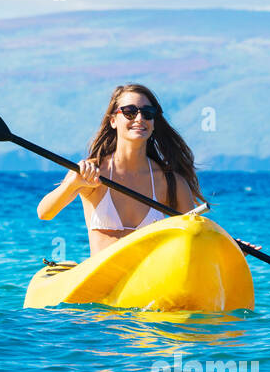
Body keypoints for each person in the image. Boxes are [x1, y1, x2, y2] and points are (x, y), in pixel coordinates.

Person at [37, 84, 203, 256]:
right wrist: (71, 185)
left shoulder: (170, 182)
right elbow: (44, 213)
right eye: (130, 112)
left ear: (153, 123)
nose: (139, 118)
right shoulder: (92, 171)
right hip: (103, 277)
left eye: (147, 113)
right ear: (113, 121)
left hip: (148, 278)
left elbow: (195, 238)